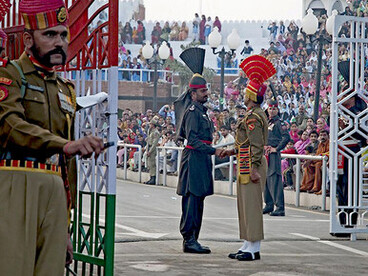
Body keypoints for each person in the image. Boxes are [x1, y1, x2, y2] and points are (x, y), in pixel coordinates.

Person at [0, 1, 104, 275]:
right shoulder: (9, 75)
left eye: (63, 35)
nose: (59, 42)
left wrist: (65, 226)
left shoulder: (66, 89)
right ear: (27, 39)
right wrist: (65, 145)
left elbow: (65, 166)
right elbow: (11, 126)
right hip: (15, 184)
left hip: (55, 193)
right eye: (49, 35)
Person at [221, 54, 274, 261]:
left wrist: (253, 167)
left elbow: (256, 145)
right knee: (245, 207)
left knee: (252, 207)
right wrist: (232, 151)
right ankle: (247, 244)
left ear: (251, 95)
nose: (243, 94)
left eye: (246, 92)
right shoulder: (255, 114)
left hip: (252, 165)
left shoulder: (253, 117)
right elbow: (245, 144)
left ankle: (253, 248)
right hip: (246, 163)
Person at [174, 47, 223, 254]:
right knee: (192, 200)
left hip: (199, 159)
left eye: (206, 90)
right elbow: (193, 140)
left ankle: (194, 239)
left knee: (198, 199)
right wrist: (214, 151)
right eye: (203, 91)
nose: (206, 94)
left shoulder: (201, 112)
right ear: (193, 94)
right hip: (194, 158)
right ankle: (189, 239)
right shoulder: (193, 112)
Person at [263, 100, 290, 216]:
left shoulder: (280, 123)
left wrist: (277, 148)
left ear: (277, 110)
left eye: (274, 109)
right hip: (265, 153)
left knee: (275, 180)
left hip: (273, 153)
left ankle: (280, 207)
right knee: (266, 180)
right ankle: (269, 204)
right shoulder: (267, 122)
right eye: (270, 108)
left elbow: (286, 137)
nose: (272, 111)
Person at [144, 118, 160, 184]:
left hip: (152, 149)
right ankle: (151, 177)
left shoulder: (156, 132)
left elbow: (154, 143)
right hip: (149, 147)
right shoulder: (150, 131)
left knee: (152, 164)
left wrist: (150, 151)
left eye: (151, 124)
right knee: (149, 164)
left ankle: (153, 178)